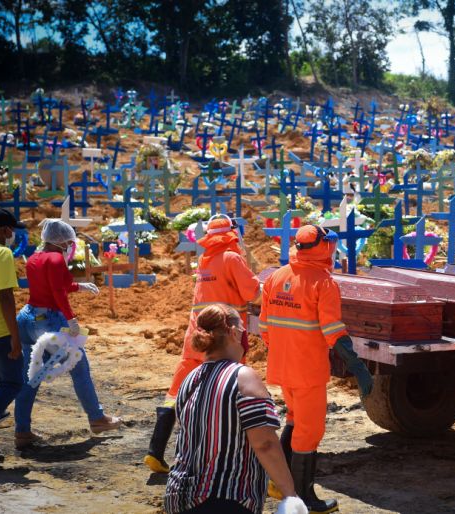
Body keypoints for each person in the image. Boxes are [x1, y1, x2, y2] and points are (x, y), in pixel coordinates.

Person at [259, 225, 373, 514]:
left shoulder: (276, 277)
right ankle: (302, 499)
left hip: (282, 366)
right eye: (330, 242)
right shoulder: (323, 282)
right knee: (309, 432)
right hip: (307, 370)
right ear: (322, 247)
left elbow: (264, 328)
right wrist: (358, 366)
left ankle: (278, 484)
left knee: (295, 420)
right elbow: (334, 331)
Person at [164, 304, 306, 514]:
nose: (245, 333)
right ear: (232, 332)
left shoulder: (190, 379)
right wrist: (290, 495)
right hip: (224, 499)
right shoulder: (243, 377)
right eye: (242, 327)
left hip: (179, 497)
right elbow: (265, 443)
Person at [145, 215, 259, 473]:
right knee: (228, 393)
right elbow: (252, 293)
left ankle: (155, 451)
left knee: (176, 392)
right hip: (225, 340)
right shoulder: (231, 258)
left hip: (196, 336)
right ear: (232, 232)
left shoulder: (205, 259)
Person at [14, 219, 121, 449]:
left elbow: (52, 285)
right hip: (48, 320)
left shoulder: (34, 258)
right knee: (79, 364)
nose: (70, 246)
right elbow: (56, 292)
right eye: (69, 242)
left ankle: (22, 430)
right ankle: (97, 418)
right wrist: (71, 319)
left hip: (26, 317)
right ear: (61, 241)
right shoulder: (55, 259)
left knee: (29, 376)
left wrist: (80, 286)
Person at [0, 208, 24, 463]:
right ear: (2, 230)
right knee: (12, 383)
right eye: (11, 229)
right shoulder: (1, 254)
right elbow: (5, 296)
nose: (12, 234)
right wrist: (15, 336)